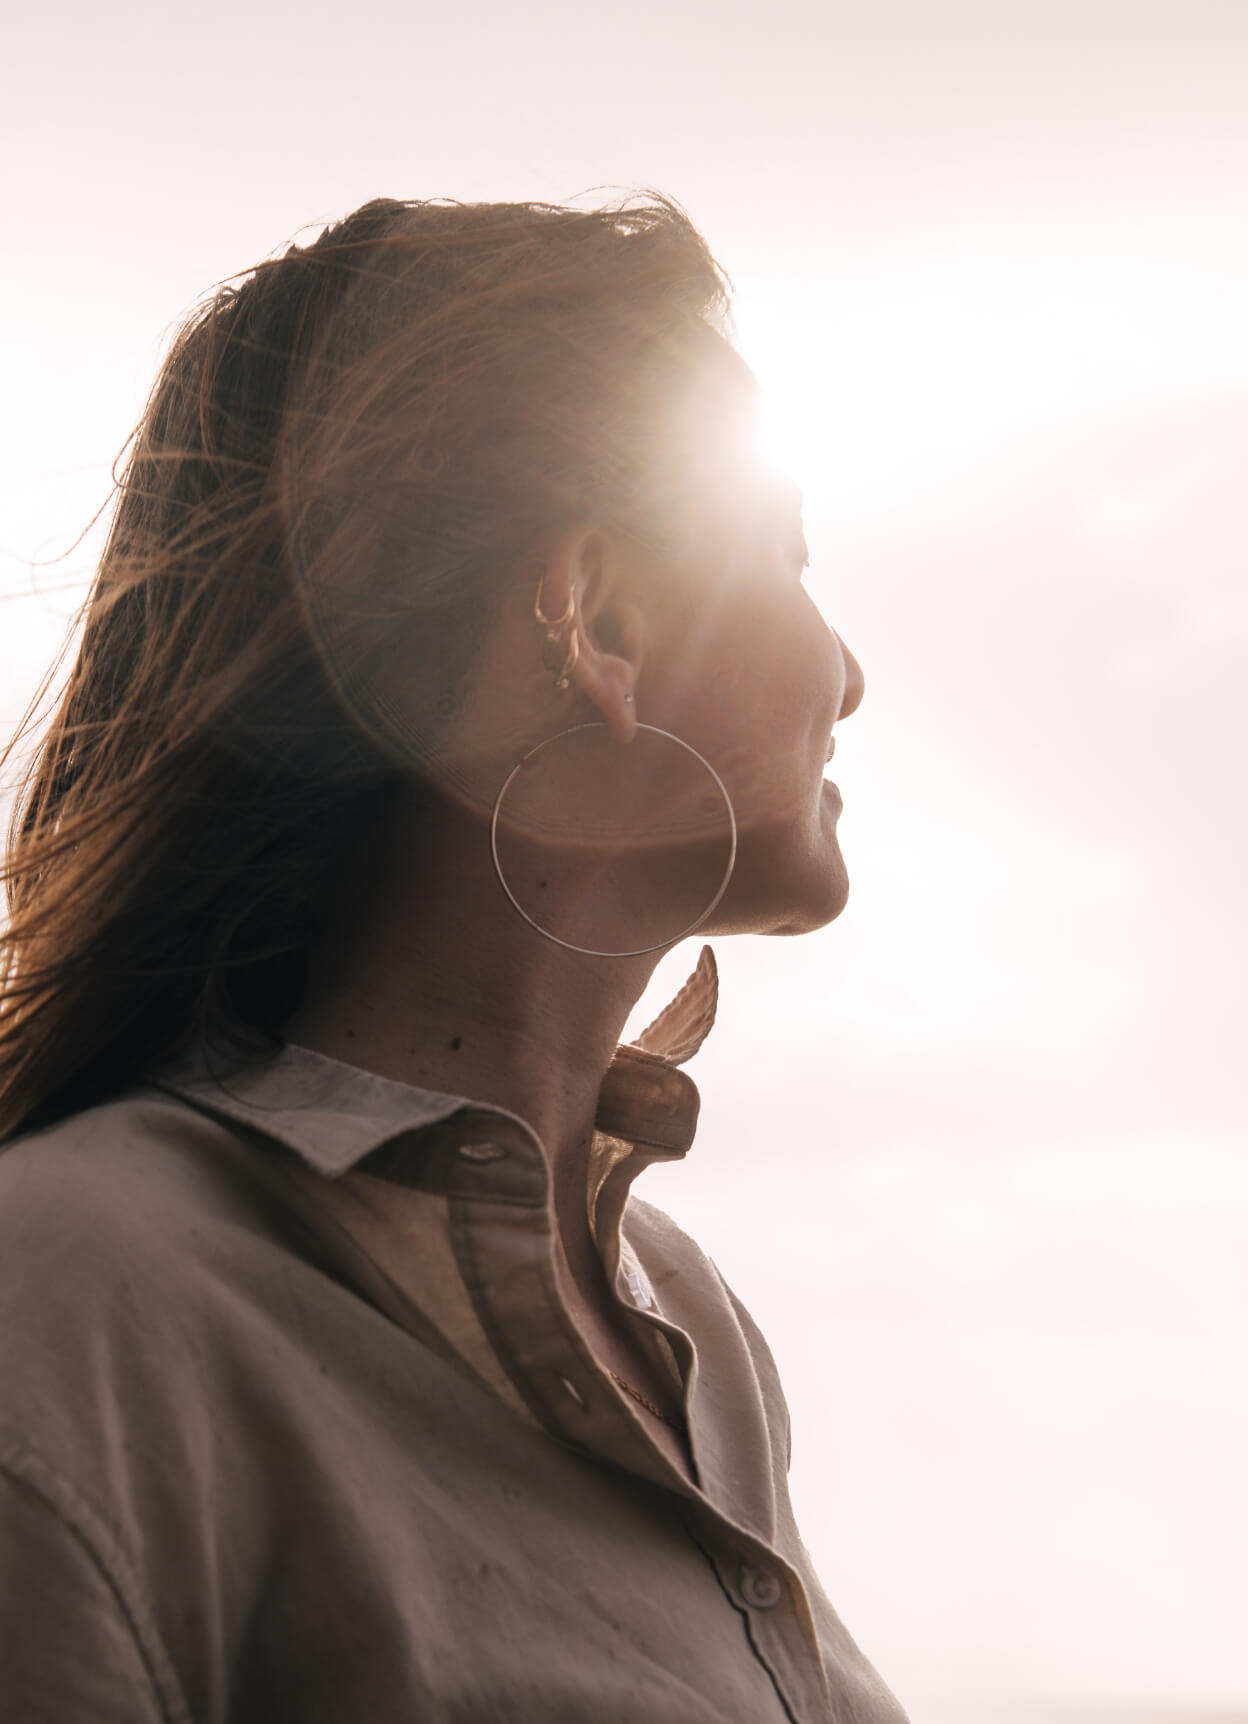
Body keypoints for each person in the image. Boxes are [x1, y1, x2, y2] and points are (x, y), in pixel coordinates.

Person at [0, 194, 905, 1722]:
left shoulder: (688, 1328)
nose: (849, 674)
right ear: (598, 622)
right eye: (791, 558)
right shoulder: (70, 1317)